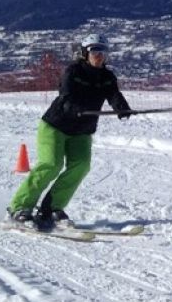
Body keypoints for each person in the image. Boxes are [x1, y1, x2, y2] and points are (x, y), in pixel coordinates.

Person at [7, 32, 132, 229]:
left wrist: (122, 108)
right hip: (56, 125)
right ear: (85, 53)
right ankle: (19, 207)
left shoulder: (107, 77)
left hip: (82, 130)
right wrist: (75, 108)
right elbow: (65, 95)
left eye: (103, 51)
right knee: (51, 165)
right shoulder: (73, 71)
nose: (99, 55)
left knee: (81, 165)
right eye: (95, 51)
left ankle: (51, 208)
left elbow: (114, 94)